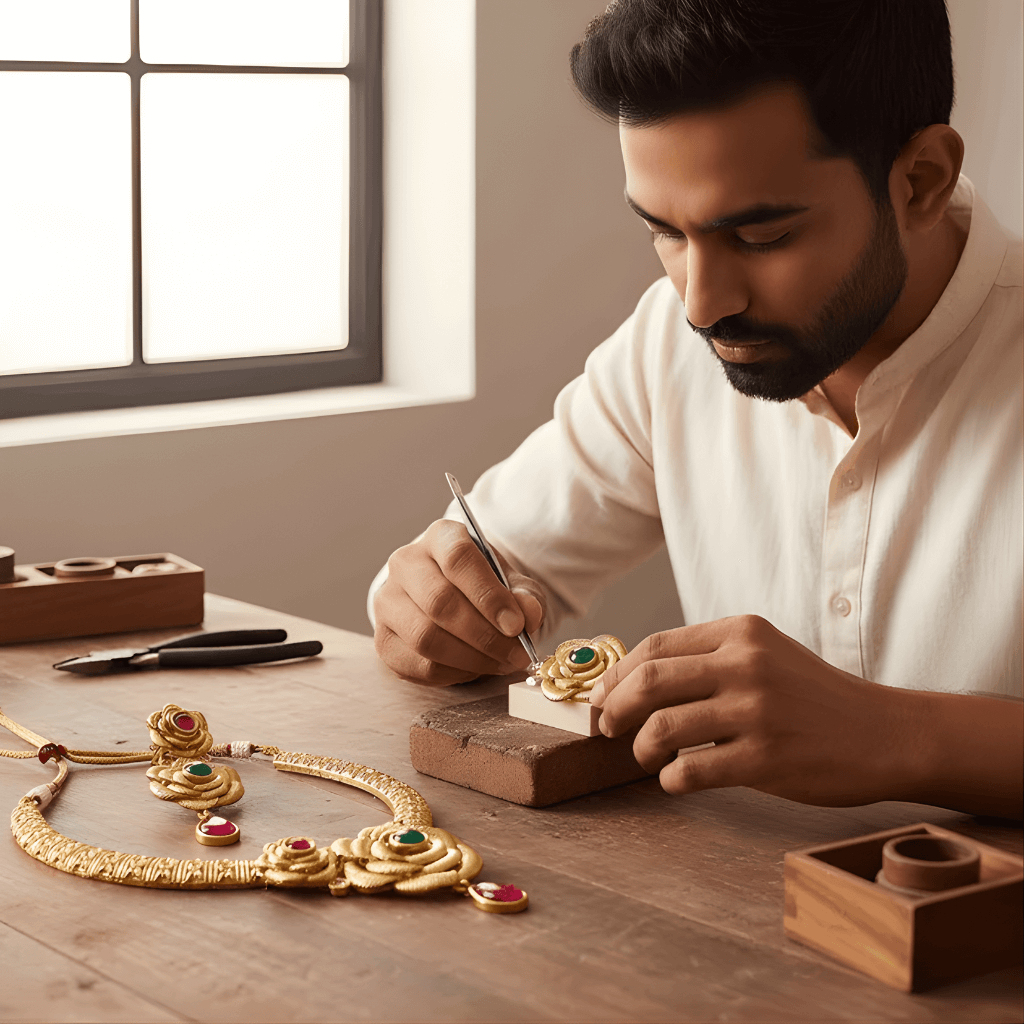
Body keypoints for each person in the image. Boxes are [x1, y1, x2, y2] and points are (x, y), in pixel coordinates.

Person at [370, 0, 1022, 819]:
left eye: (760, 238)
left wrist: (895, 734)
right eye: (665, 232)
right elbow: (487, 567)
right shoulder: (666, 342)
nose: (702, 304)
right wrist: (432, 606)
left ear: (920, 180)